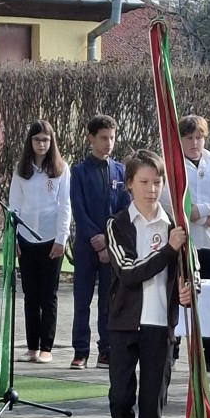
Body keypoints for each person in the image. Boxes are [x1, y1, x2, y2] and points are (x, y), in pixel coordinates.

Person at [105, 149, 191, 418]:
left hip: (160, 327)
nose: (151, 189)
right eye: (144, 182)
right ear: (129, 184)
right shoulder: (117, 225)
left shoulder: (175, 228)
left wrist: (188, 290)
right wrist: (168, 251)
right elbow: (128, 272)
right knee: (120, 398)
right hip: (125, 325)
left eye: (157, 182)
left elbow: (190, 273)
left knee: (152, 402)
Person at [161, 114, 210, 373]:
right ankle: (172, 350)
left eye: (199, 137)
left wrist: (203, 210)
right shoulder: (171, 165)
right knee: (179, 294)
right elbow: (166, 199)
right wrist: (198, 214)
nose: (194, 143)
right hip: (183, 241)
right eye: (189, 138)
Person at [69, 115, 130, 370]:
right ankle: (80, 351)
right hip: (86, 247)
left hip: (111, 246)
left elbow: (124, 209)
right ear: (91, 138)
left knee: (109, 300)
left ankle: (106, 349)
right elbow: (79, 209)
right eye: (104, 138)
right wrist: (96, 239)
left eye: (112, 138)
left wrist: (108, 239)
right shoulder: (79, 172)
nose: (109, 143)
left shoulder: (120, 171)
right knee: (82, 301)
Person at [8, 119, 71, 364]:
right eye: (37, 139)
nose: (41, 144)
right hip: (26, 238)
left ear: (51, 141)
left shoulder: (61, 169)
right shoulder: (21, 169)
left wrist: (61, 238)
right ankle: (32, 347)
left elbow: (64, 206)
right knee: (30, 295)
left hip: (50, 239)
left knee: (48, 295)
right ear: (30, 142)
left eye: (45, 139)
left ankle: (46, 347)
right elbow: (14, 204)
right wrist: (14, 238)